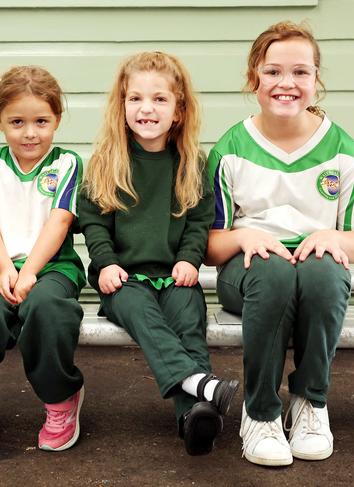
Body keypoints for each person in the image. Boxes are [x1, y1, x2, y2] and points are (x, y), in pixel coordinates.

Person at [206, 21, 354, 466]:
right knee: (274, 272)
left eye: (300, 72)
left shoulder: (342, 151)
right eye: (273, 71)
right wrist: (245, 235)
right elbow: (212, 245)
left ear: (316, 80)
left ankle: (310, 404)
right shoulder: (230, 150)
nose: (287, 83)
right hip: (249, 274)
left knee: (323, 271)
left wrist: (331, 235)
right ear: (253, 80)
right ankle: (259, 412)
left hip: (314, 273)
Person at [78, 51, 239, 456]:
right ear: (122, 106)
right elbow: (93, 221)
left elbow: (200, 220)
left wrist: (189, 258)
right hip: (123, 280)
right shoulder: (106, 162)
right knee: (147, 318)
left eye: (159, 99)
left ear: (179, 110)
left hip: (175, 274)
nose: (146, 108)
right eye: (135, 99)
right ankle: (202, 384)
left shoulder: (190, 164)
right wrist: (105, 263)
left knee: (188, 320)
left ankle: (193, 415)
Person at [0, 66, 86, 456]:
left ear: (57, 120)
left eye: (41, 121)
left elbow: (59, 222)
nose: (30, 133)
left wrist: (29, 271)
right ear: (0, 122)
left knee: (47, 310)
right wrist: (8, 269)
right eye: (17, 122)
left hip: (52, 266)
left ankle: (62, 399)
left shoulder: (67, 164)